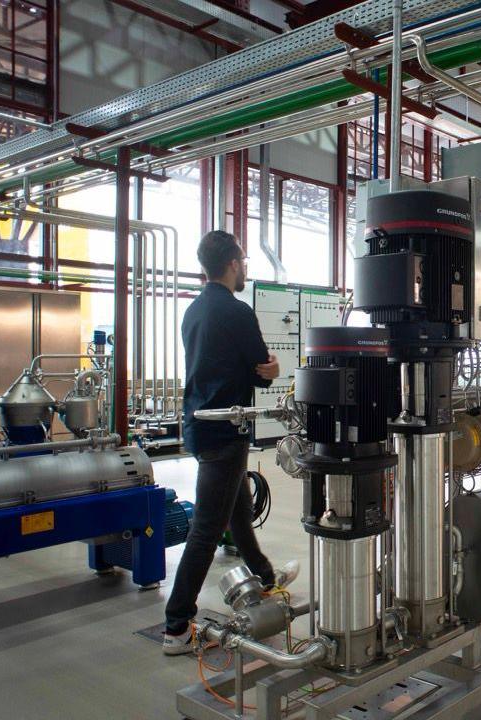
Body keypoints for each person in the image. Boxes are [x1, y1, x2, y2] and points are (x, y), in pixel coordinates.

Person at [163, 230, 296, 655]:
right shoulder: (237, 312)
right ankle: (176, 625)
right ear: (234, 264)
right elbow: (264, 368)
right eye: (244, 262)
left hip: (201, 425)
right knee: (207, 529)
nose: (245, 270)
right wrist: (274, 368)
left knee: (238, 510)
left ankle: (266, 577)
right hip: (227, 430)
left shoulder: (193, 312)